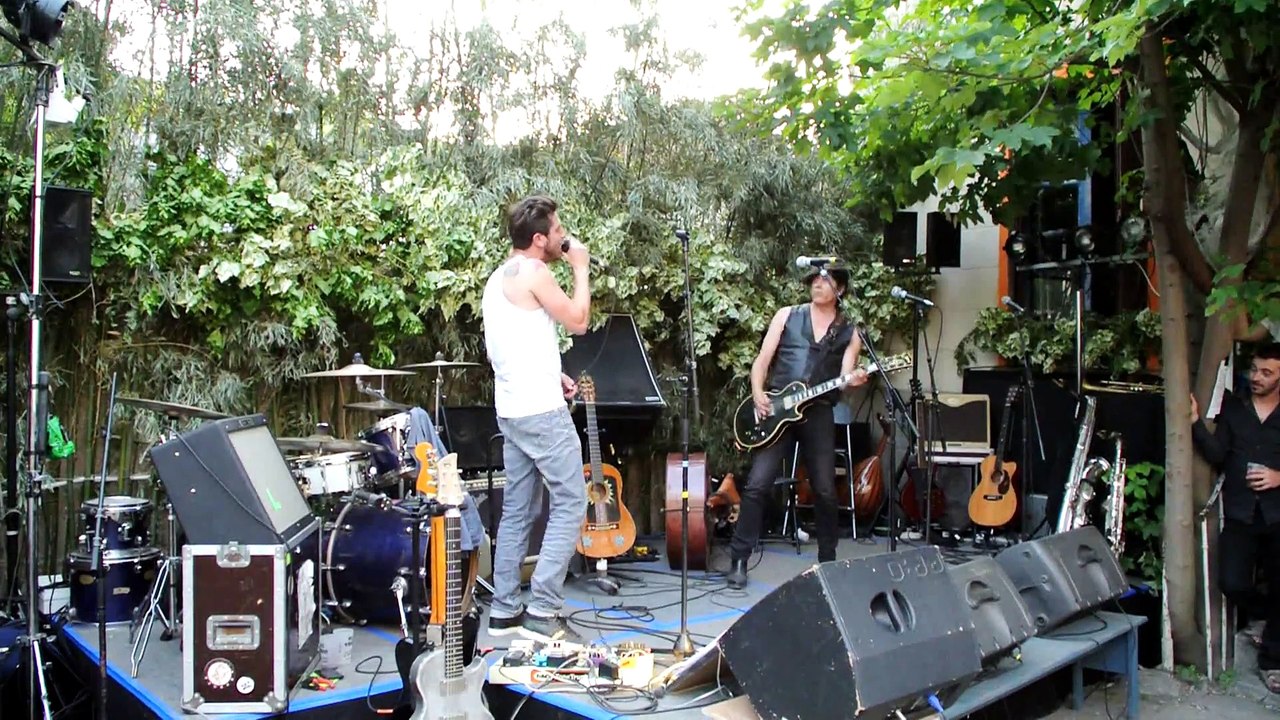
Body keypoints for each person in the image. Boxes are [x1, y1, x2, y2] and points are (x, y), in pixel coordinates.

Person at [481, 195, 589, 643]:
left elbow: (513, 344)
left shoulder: (496, 278)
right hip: (542, 414)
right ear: (540, 239)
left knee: (518, 511)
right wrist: (580, 267)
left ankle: (504, 610)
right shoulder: (536, 271)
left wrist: (555, 373)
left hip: (512, 410)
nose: (564, 236)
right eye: (559, 230)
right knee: (571, 501)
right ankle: (543, 608)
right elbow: (579, 321)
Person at [726, 264, 868, 589]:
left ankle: (828, 561)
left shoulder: (850, 330)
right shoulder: (787, 315)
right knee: (758, 483)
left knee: (825, 489)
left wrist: (856, 379)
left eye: (825, 280)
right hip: (776, 409)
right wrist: (758, 393)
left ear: (840, 290)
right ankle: (738, 559)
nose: (817, 284)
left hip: (817, 411)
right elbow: (762, 360)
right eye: (814, 279)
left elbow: (846, 378)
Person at [1191, 342, 1280, 692]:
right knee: (1232, 581)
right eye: (1254, 370)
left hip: (1277, 513)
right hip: (1242, 511)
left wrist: (1278, 477)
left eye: (1266, 372)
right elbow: (1216, 453)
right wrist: (1195, 422)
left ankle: (1273, 662)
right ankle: (1264, 616)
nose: (1256, 377)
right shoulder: (1236, 408)